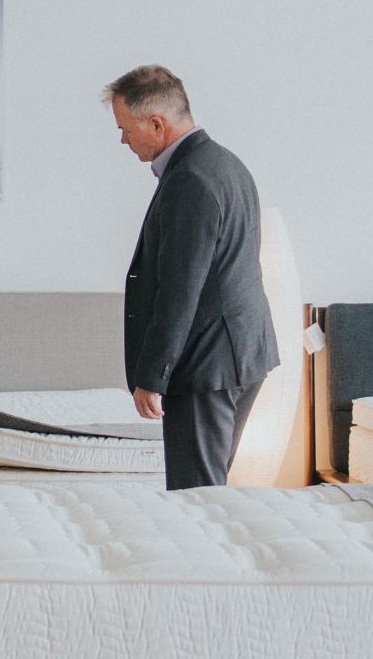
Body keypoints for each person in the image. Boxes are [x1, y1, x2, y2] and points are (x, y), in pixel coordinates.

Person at [106, 65, 278, 490]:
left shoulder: (191, 180)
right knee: (208, 486)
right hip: (239, 354)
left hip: (207, 364)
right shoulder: (224, 163)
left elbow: (179, 289)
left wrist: (153, 376)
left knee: (196, 496)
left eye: (126, 128)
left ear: (157, 124)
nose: (122, 139)